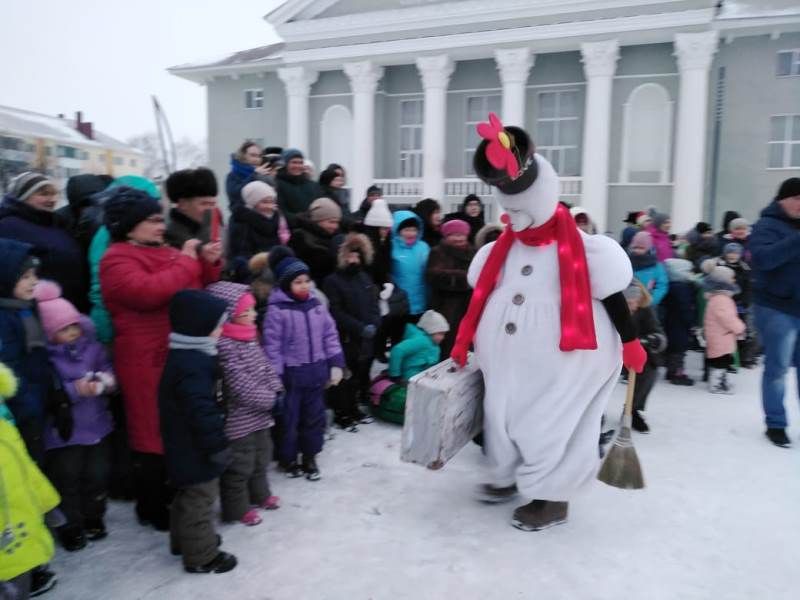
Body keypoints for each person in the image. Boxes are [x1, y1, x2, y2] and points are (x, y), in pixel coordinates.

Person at [451, 113, 645, 531]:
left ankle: (552, 497)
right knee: (501, 417)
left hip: (565, 358)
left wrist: (630, 341)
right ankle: (504, 476)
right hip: (507, 362)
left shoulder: (585, 250)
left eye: (520, 203)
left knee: (549, 424)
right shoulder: (503, 248)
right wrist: (464, 339)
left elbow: (610, 292)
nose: (514, 215)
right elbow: (480, 295)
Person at [100, 187, 223, 531]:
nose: (160, 226)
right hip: (144, 358)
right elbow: (148, 292)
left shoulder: (166, 250)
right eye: (152, 220)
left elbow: (194, 284)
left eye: (159, 219)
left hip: (177, 349)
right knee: (151, 431)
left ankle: (177, 496)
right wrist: (187, 259)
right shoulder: (116, 259)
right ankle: (152, 505)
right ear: (128, 226)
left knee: (178, 425)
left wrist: (209, 263)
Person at [159, 289, 237, 574]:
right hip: (195, 447)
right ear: (198, 327)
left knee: (187, 496)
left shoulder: (186, 356)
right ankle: (202, 556)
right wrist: (217, 446)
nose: (221, 330)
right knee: (200, 501)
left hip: (184, 444)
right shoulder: (193, 366)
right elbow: (201, 412)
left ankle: (184, 541)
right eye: (217, 325)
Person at [34, 281, 115, 552]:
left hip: (97, 426)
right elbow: (48, 390)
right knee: (67, 478)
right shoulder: (46, 359)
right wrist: (76, 390)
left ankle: (94, 516)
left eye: (73, 325)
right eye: (63, 329)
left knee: (97, 475)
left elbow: (108, 370)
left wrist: (105, 381)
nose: (71, 332)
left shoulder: (92, 348)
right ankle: (70, 525)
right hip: (64, 433)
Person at [262, 247, 345, 481]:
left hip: (316, 372)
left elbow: (330, 335)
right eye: (298, 282)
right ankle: (288, 458)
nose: (305, 286)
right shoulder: (277, 310)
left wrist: (335, 363)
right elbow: (272, 347)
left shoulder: (317, 305)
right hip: (291, 376)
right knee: (289, 420)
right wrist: (275, 378)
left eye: (307, 280)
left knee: (314, 417)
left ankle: (310, 455)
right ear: (286, 284)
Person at [207, 282, 283, 526]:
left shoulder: (250, 337)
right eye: (246, 312)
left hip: (260, 416)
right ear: (230, 315)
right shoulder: (225, 345)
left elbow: (266, 367)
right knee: (240, 465)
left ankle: (260, 494)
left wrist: (277, 388)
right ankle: (236, 508)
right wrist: (270, 400)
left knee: (262, 457)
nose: (253, 315)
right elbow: (240, 386)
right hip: (239, 420)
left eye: (252, 310)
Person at [0, 365, 60, 600]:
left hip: (19, 531)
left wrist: (48, 504)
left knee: (20, 580)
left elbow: (27, 470)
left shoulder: (6, 431)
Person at [749, 177, 800, 447]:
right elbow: (763, 259)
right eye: (796, 198)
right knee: (778, 368)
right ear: (782, 199)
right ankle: (776, 423)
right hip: (775, 307)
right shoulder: (766, 226)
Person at [87, 175, 161, 345]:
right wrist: (108, 330)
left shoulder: (121, 233)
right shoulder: (108, 236)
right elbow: (100, 288)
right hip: (112, 325)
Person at [0, 172, 89, 312]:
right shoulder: (8, 226)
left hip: (67, 308)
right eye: (43, 194)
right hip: (35, 310)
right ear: (24, 196)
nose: (51, 199)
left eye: (54, 194)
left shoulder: (55, 223)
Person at [0, 239, 51, 464]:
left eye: (34, 275)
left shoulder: (27, 308)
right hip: (19, 411)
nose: (34, 282)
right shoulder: (4, 318)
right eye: (26, 277)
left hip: (36, 400)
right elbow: (9, 368)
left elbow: (40, 354)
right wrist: (29, 409)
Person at [323, 234, 381, 430]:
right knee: (344, 377)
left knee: (359, 374)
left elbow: (374, 303)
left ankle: (354, 407)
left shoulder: (364, 277)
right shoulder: (332, 281)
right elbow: (336, 311)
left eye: (357, 256)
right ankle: (342, 412)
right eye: (349, 256)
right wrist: (359, 327)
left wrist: (374, 323)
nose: (353, 260)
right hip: (346, 337)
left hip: (365, 337)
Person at [375, 310, 450, 424]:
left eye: (444, 334)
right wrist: (395, 375)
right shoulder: (421, 341)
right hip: (410, 379)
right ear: (430, 331)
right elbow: (397, 350)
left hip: (422, 377)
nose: (443, 337)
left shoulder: (433, 344)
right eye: (440, 333)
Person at [426, 219, 475, 357]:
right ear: (446, 236)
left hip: (469, 302)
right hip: (445, 304)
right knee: (447, 339)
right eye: (454, 235)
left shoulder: (474, 252)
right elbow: (433, 276)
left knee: (467, 336)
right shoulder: (438, 252)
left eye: (462, 234)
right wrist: (465, 278)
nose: (459, 238)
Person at [623, 281, 667, 433]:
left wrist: (653, 339)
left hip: (634, 351)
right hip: (611, 351)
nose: (634, 306)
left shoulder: (645, 310)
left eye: (636, 302)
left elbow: (657, 332)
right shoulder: (612, 310)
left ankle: (632, 409)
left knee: (650, 370)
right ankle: (595, 413)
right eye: (629, 303)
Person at [227, 181, 290, 281]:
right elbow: (241, 254)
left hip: (273, 263)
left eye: (272, 202)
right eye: (264, 202)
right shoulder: (242, 222)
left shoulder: (275, 218)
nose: (269, 206)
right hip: (253, 270)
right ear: (253, 203)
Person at [703, 266, 746, 394]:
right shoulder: (721, 299)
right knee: (720, 362)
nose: (734, 280)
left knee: (723, 360)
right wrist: (739, 328)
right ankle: (716, 384)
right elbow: (726, 318)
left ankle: (721, 381)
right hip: (720, 336)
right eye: (732, 278)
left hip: (721, 335)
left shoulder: (719, 297)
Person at [289, 197, 343, 284]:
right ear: (317, 220)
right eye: (331, 222)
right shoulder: (300, 237)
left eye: (337, 222)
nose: (335, 226)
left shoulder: (335, 236)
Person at [164, 168, 221, 249]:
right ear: (183, 205)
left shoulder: (213, 229)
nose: (210, 210)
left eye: (213, 204)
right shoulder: (169, 237)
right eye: (204, 204)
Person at [662, 258, 698, 386]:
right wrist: (691, 322)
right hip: (680, 324)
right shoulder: (682, 288)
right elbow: (685, 307)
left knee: (673, 348)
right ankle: (677, 373)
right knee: (679, 349)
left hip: (671, 322)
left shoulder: (670, 285)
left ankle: (671, 370)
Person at [56, 173, 112, 254]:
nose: (91, 210)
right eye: (86, 205)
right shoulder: (60, 221)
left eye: (96, 203)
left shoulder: (108, 217)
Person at [391, 210, 430, 319]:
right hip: (399, 305)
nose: (411, 233)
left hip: (422, 304)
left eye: (414, 230)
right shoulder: (391, 248)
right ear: (398, 231)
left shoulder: (424, 247)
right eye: (407, 230)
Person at [275, 148, 323, 227]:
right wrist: (300, 218)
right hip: (292, 231)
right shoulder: (277, 184)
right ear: (285, 164)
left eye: (300, 163)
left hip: (314, 228)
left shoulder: (313, 185)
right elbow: (280, 212)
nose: (297, 166)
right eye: (294, 162)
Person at [628, 231, 669, 305]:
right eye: (635, 247)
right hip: (630, 303)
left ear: (648, 249)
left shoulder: (656, 266)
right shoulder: (627, 262)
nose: (637, 250)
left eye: (641, 248)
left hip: (649, 305)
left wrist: (651, 300)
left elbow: (661, 286)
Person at [226, 140, 267, 213]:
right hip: (241, 220)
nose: (257, 159)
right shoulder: (233, 175)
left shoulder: (262, 174)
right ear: (243, 156)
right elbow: (235, 194)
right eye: (253, 155)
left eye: (259, 156)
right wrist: (254, 176)